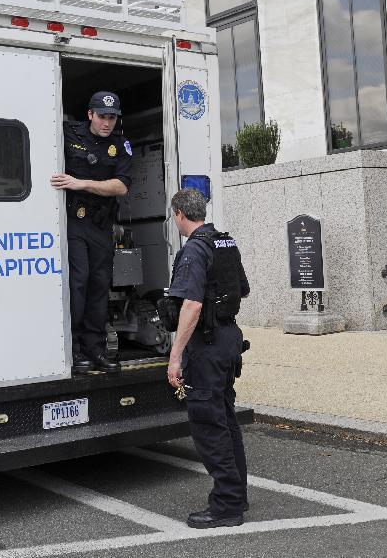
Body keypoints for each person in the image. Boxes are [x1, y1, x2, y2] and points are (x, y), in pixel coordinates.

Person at [165, 188, 250, 529]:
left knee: (209, 427)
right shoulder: (224, 242)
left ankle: (227, 506)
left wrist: (175, 356)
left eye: (175, 216)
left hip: (209, 344)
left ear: (180, 215)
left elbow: (193, 305)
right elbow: (242, 289)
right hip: (229, 338)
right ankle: (237, 495)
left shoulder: (195, 250)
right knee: (226, 422)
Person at [51, 91, 132, 375]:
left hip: (101, 225)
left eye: (111, 117)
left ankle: (94, 349)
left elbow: (121, 186)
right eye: (102, 116)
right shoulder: (67, 133)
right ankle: (72, 348)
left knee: (99, 287)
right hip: (74, 223)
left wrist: (80, 183)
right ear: (89, 115)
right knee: (78, 283)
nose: (107, 123)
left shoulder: (120, 145)